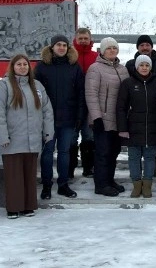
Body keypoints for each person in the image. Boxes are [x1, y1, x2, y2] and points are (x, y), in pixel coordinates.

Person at [0, 54, 54, 219]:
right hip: (12, 140)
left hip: (33, 139)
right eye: (19, 64)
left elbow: (47, 110)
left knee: (29, 175)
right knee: (14, 176)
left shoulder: (37, 86)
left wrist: (48, 132)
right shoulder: (3, 86)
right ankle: (13, 207)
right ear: (12, 67)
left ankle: (28, 206)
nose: (22, 67)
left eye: (25, 64)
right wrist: (3, 136)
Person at [35, 35, 85, 200]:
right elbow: (35, 93)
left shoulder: (74, 67)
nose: (61, 48)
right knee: (48, 152)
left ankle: (63, 184)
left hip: (68, 117)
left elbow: (81, 93)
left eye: (64, 45)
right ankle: (46, 185)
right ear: (52, 47)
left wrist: (80, 115)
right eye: (58, 45)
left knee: (64, 152)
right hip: (47, 118)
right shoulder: (42, 67)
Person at [85, 37, 129, 196]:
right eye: (108, 48)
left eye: (114, 48)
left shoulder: (123, 69)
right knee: (103, 153)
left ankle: (109, 180)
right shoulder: (95, 69)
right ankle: (101, 185)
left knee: (114, 152)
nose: (112, 50)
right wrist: (96, 117)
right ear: (102, 51)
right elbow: (91, 94)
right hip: (102, 119)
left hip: (118, 119)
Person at [117, 55, 156, 198]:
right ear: (136, 67)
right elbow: (121, 107)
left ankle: (147, 185)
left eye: (147, 65)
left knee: (150, 157)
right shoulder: (128, 83)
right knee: (134, 157)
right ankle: (137, 185)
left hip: (152, 127)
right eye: (141, 65)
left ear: (150, 67)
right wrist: (123, 128)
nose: (144, 68)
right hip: (133, 128)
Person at [72, 28, 98, 178]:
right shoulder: (70, 56)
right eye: (80, 38)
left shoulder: (96, 57)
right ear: (76, 40)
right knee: (72, 137)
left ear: (90, 40)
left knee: (89, 136)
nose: (83, 41)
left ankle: (88, 167)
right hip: (73, 103)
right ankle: (70, 168)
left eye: (85, 38)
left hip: (90, 103)